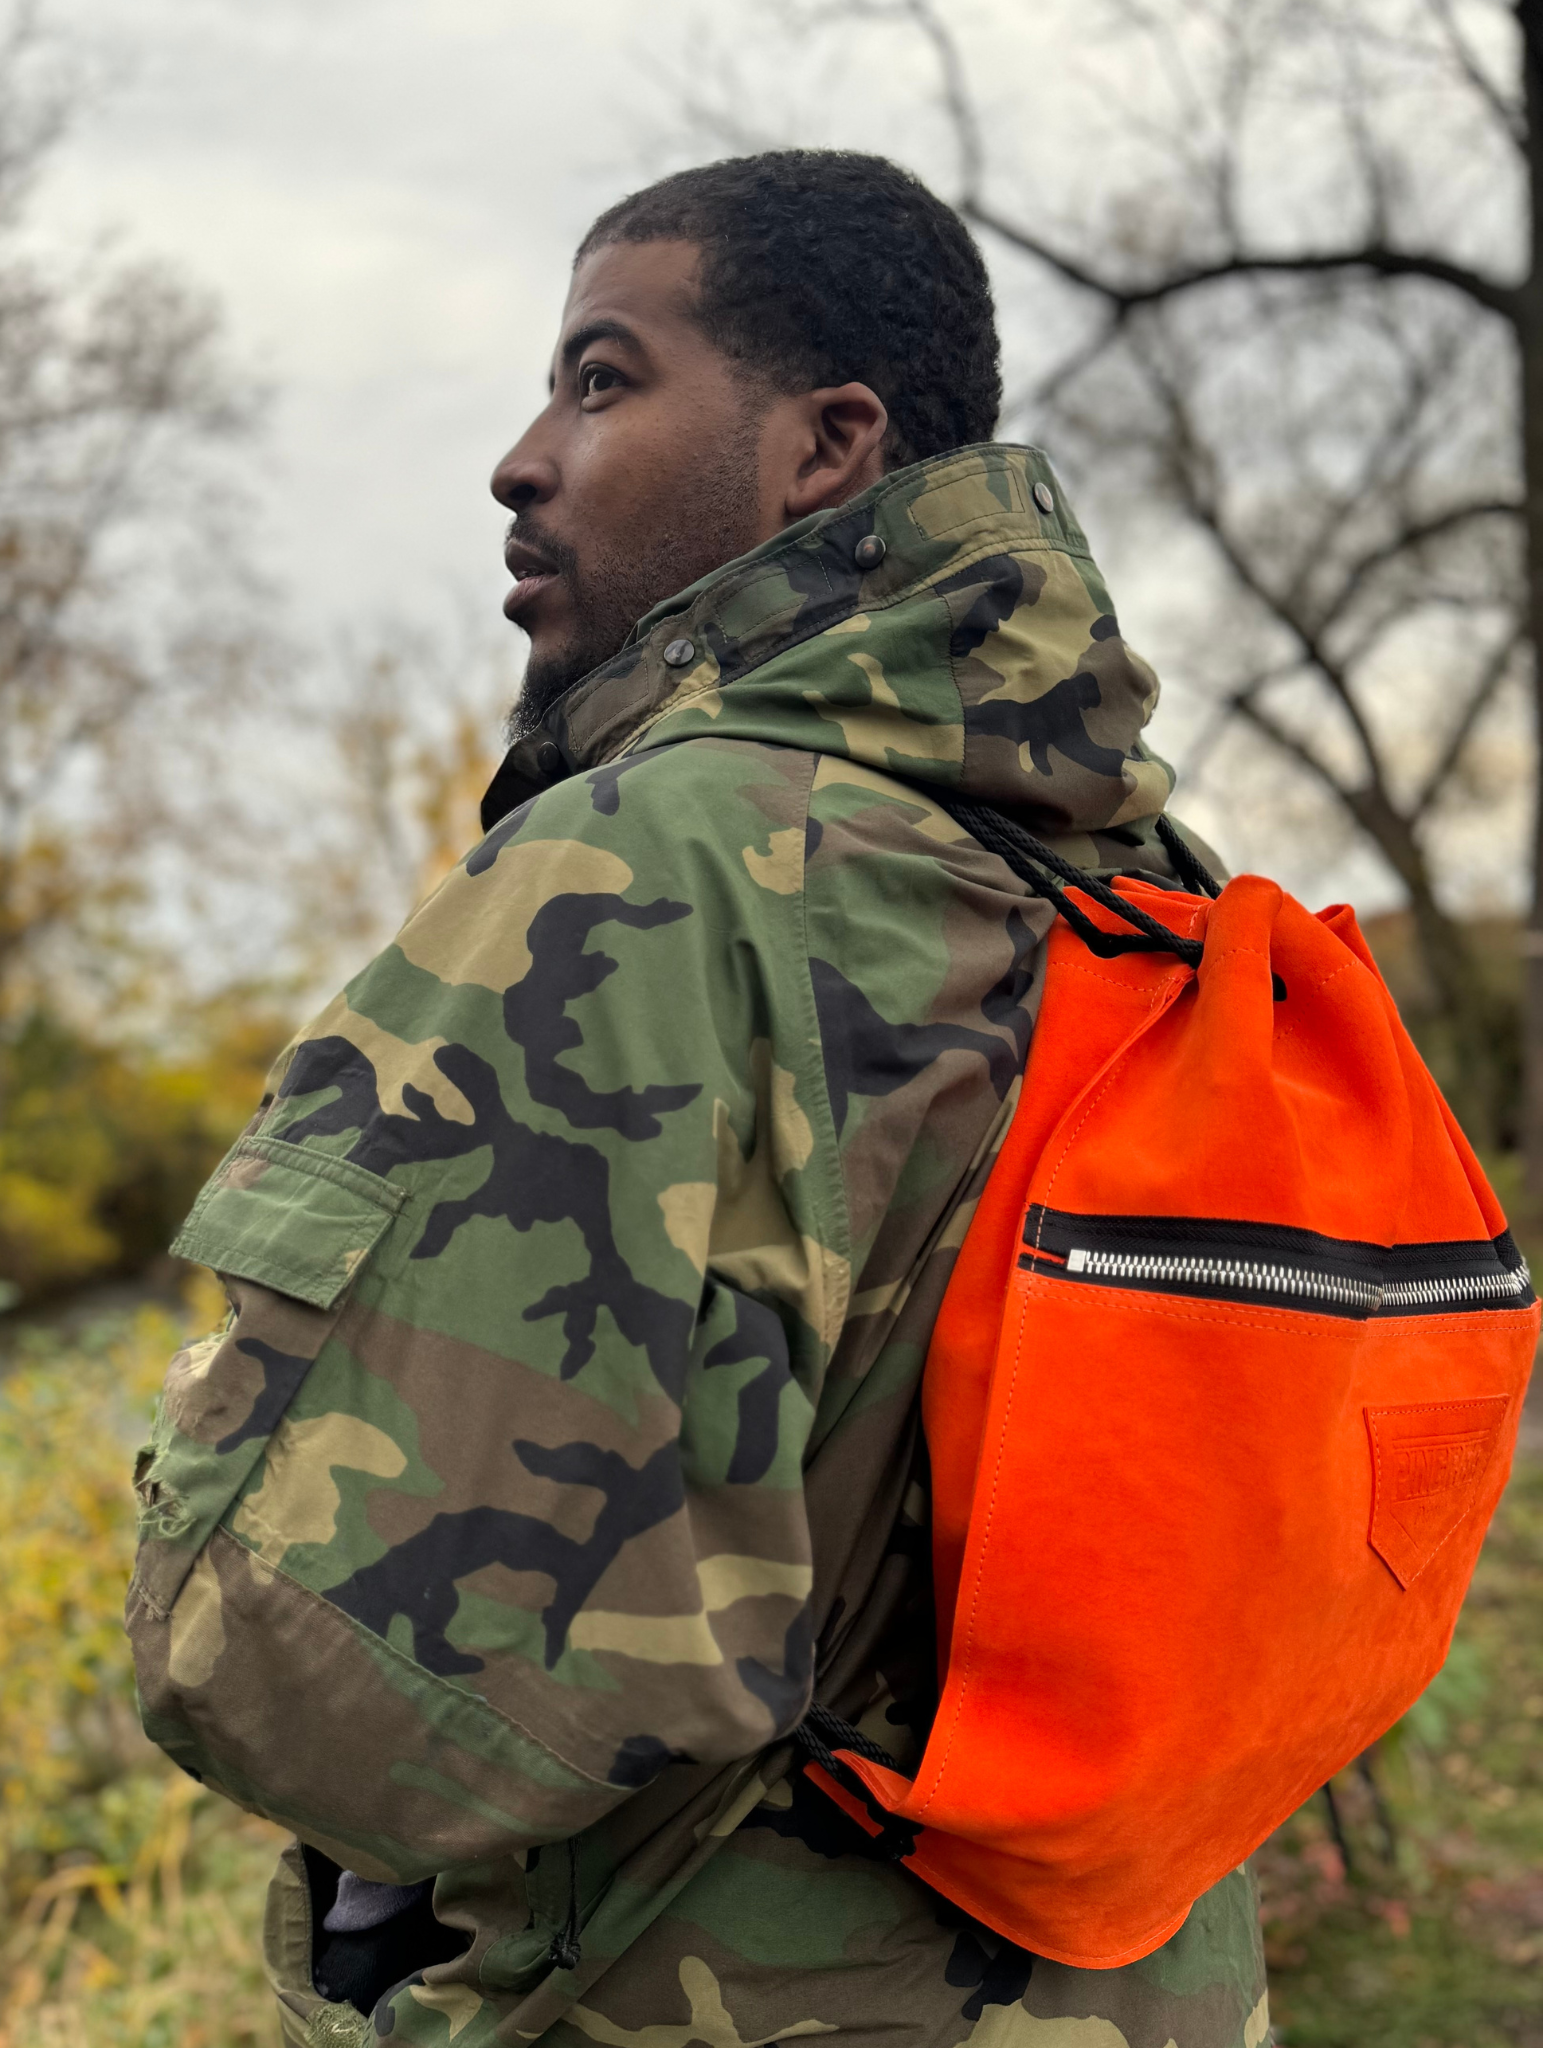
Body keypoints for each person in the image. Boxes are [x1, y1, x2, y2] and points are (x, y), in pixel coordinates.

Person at [128, 150, 1271, 2048]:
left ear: (826, 447)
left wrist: (199, 1458)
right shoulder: (1165, 898)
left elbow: (344, 1696)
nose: (522, 457)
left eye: (601, 377)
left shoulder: (649, 876)